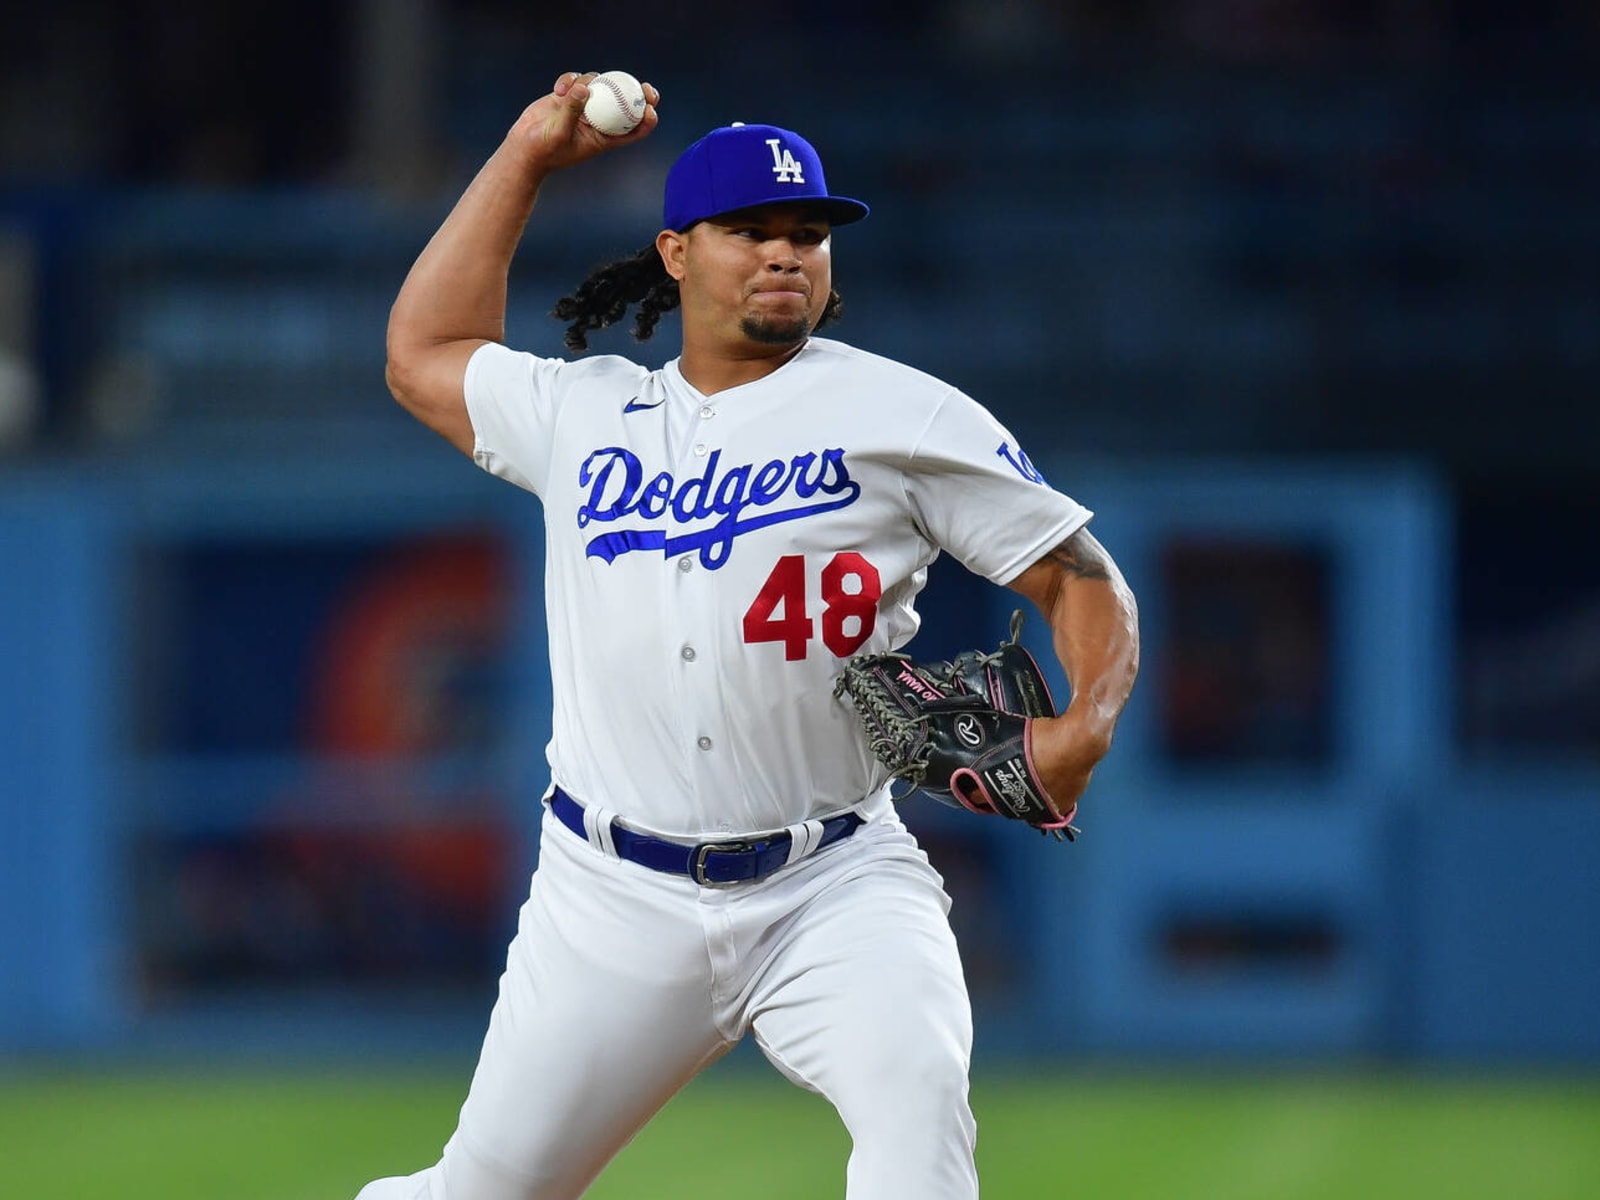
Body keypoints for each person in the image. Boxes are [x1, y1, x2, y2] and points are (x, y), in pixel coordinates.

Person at [362, 71, 1140, 1200]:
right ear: (676, 252)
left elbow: (1079, 577)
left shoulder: (903, 413)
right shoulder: (583, 413)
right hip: (608, 896)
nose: (786, 253)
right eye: (751, 231)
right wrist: (527, 151)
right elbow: (421, 351)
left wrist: (1086, 725)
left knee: (919, 1129)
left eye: (808, 233)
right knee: (479, 1192)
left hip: (832, 882)